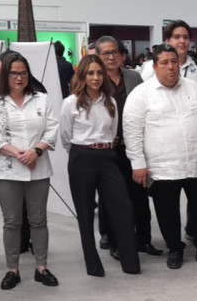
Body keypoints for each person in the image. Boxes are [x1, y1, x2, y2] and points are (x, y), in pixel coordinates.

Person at [123, 44, 197, 270]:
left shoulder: (194, 88)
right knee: (167, 211)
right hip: (162, 167)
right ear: (154, 67)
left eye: (174, 62)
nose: (171, 67)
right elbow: (132, 132)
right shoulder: (141, 94)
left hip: (196, 162)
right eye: (164, 63)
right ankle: (175, 249)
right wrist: (138, 164)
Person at [0, 52, 59, 290]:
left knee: (38, 220)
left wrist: (36, 151)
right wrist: (19, 154)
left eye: (23, 73)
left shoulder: (41, 99)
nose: (19, 77)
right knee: (12, 222)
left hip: (38, 166)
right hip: (7, 170)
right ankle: (12, 269)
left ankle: (41, 267)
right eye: (14, 73)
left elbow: (52, 129)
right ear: (5, 73)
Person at [59, 55, 142, 277]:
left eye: (99, 73)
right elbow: (65, 136)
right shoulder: (71, 103)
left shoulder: (110, 101)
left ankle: (130, 262)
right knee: (85, 213)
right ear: (82, 76)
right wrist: (80, 152)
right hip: (81, 157)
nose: (95, 78)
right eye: (90, 73)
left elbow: (113, 132)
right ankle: (93, 265)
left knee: (122, 207)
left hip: (107, 156)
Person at [94, 36, 160, 257]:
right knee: (112, 197)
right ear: (99, 57)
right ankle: (115, 241)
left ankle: (144, 240)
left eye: (115, 52)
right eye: (106, 53)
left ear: (122, 55)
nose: (111, 57)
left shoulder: (134, 77)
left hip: (134, 146)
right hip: (107, 149)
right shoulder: (95, 79)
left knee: (139, 197)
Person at [140, 20, 197, 84]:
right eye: (177, 37)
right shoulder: (152, 67)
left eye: (186, 37)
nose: (182, 41)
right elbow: (142, 90)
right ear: (167, 41)